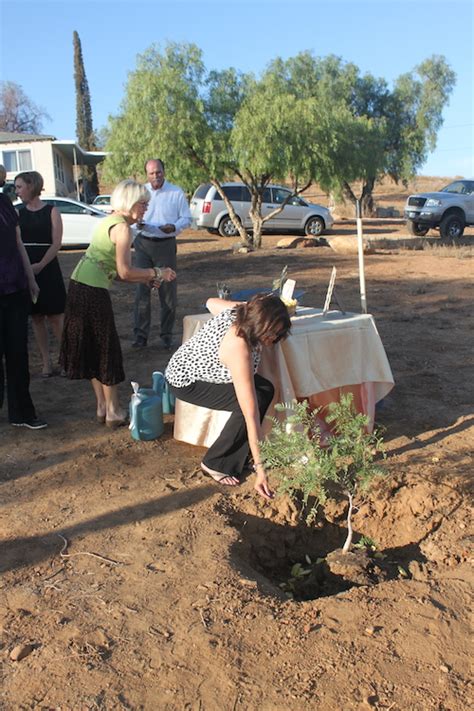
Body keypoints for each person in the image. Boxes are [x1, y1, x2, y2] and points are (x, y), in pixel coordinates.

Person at [60, 179, 176, 427]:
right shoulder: (123, 228)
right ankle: (113, 410)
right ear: (130, 203)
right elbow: (124, 272)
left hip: (79, 285)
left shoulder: (108, 221)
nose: (146, 208)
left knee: (92, 347)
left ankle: (102, 407)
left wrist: (144, 279)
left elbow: (111, 270)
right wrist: (156, 273)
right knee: (105, 349)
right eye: (143, 203)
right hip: (91, 292)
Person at [165, 294, 291, 499]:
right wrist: (261, 471)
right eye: (273, 334)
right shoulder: (239, 348)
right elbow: (251, 416)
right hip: (186, 381)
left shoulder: (243, 311)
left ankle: (238, 455)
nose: (274, 340)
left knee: (265, 390)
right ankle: (216, 463)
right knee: (254, 402)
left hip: (190, 367)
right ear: (261, 326)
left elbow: (210, 302)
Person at [132, 158, 191, 350]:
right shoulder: (141, 192)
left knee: (167, 291)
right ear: (146, 175)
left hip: (165, 244)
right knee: (142, 290)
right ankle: (141, 336)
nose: (155, 176)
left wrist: (174, 226)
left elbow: (186, 218)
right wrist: (137, 223)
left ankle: (166, 335)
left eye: (158, 172)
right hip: (143, 243)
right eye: (151, 173)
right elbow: (132, 215)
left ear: (164, 171)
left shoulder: (176, 192)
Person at [0, 191, 47, 429]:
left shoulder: (5, 202)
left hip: (15, 289)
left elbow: (18, 243)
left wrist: (31, 279)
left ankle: (22, 413)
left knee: (18, 354)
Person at [15, 171, 67, 377]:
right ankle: (46, 362)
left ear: (31, 186)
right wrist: (29, 267)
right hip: (26, 266)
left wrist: (41, 264)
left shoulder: (52, 211)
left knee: (56, 316)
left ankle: (66, 360)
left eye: (20, 187)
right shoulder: (18, 212)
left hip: (48, 266)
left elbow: (57, 243)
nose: (17, 191)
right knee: (36, 318)